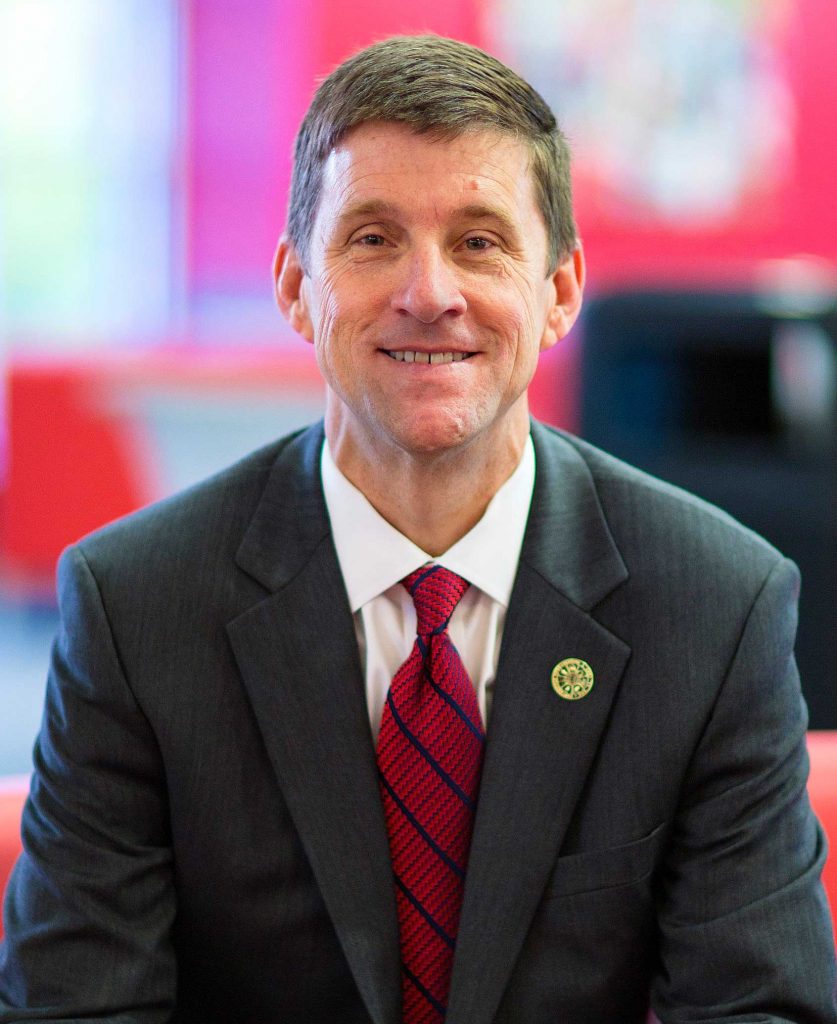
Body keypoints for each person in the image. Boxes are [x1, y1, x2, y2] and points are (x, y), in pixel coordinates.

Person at [0, 33, 834, 1024]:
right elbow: (79, 1009)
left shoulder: (715, 606)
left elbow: (756, 1008)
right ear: (295, 289)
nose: (429, 293)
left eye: (479, 242)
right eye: (372, 238)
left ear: (560, 291)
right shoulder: (137, 607)